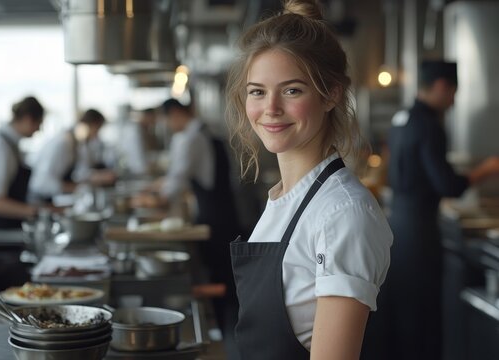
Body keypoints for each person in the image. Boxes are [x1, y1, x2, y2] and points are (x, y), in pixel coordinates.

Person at [224, 1, 392, 359]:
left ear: (330, 94)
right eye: (257, 91)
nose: (270, 108)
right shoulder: (287, 198)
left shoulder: (343, 215)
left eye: (291, 90)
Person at [386, 60, 499, 359]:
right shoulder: (429, 125)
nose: (453, 101)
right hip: (421, 233)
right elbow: (448, 185)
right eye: (453, 92)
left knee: (406, 314)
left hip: (398, 228)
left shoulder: (402, 118)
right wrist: (487, 168)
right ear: (440, 86)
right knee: (425, 317)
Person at [131, 98, 240, 336]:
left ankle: (221, 330)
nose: (168, 126)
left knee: (218, 270)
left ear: (176, 114)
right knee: (225, 270)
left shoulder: (191, 138)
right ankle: (225, 324)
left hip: (214, 216)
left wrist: (157, 195)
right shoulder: (206, 131)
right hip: (225, 210)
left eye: (166, 120)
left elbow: (177, 179)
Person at [0, 96, 44, 229]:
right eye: (39, 124)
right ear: (28, 119)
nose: (38, 130)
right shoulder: (0, 148)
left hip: (7, 225)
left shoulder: (10, 145)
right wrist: (37, 212)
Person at [29, 109, 116, 204]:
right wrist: (76, 188)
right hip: (40, 201)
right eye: (97, 129)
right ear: (89, 125)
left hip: (55, 198)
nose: (96, 135)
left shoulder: (78, 143)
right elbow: (42, 183)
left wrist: (98, 176)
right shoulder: (63, 143)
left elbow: (81, 172)